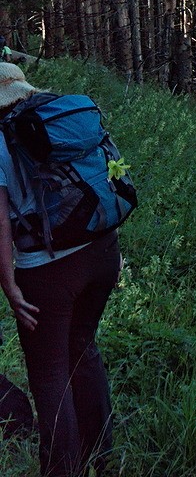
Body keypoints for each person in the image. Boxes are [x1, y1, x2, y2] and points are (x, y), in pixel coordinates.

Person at [0, 63, 120, 477]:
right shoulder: (60, 119)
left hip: (48, 270)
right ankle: (101, 457)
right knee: (84, 348)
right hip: (103, 251)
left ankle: (62, 470)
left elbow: (0, 223)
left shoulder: (1, 139)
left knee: (49, 374)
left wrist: (10, 285)